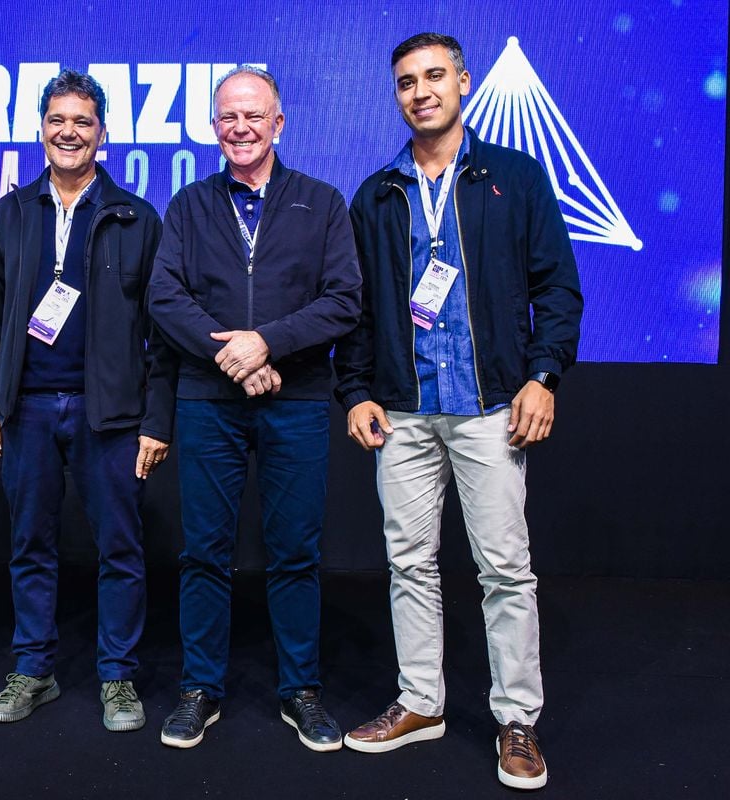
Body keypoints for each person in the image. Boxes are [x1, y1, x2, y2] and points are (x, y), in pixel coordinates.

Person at [334, 33, 583, 791]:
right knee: (409, 563)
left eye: (434, 76)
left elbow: (559, 290)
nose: (420, 91)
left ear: (464, 83)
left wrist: (543, 376)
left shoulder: (513, 176)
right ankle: (421, 704)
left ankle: (516, 720)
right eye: (406, 81)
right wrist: (357, 391)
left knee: (505, 570)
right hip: (403, 413)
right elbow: (358, 310)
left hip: (489, 408)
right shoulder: (377, 193)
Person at [148, 66, 362, 751]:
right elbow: (165, 298)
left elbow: (342, 300)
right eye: (227, 117)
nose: (239, 127)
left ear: (279, 123)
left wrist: (266, 343)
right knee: (204, 552)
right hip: (209, 401)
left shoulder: (323, 202)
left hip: (295, 399)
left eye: (253, 115)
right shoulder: (186, 206)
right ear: (214, 128)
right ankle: (200, 689)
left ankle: (300, 690)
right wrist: (233, 360)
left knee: (295, 552)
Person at [0, 69, 176, 732]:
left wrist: (155, 418)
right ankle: (34, 668)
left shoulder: (136, 216)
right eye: (58, 121)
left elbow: (161, 330)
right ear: (41, 130)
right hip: (26, 407)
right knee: (30, 543)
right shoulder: (10, 213)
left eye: (82, 122)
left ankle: (117, 676)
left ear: (103, 134)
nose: (69, 132)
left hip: (108, 412)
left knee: (120, 546)